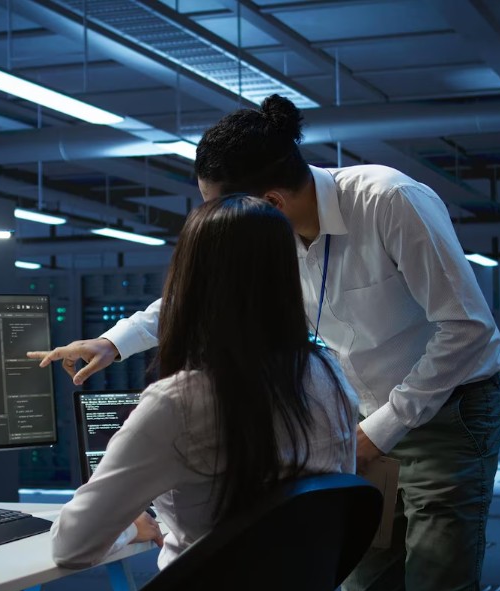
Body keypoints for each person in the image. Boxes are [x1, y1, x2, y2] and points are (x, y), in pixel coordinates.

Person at [32, 95, 500, 591]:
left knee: (437, 588)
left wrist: (379, 429)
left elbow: (468, 331)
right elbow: (207, 287)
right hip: (361, 418)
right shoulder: (275, 244)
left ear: (270, 205)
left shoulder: (388, 201)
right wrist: (113, 341)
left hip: (447, 408)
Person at [48, 194, 356, 570]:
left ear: (189, 282)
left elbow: (71, 546)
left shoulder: (179, 403)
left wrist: (132, 527)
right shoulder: (329, 375)